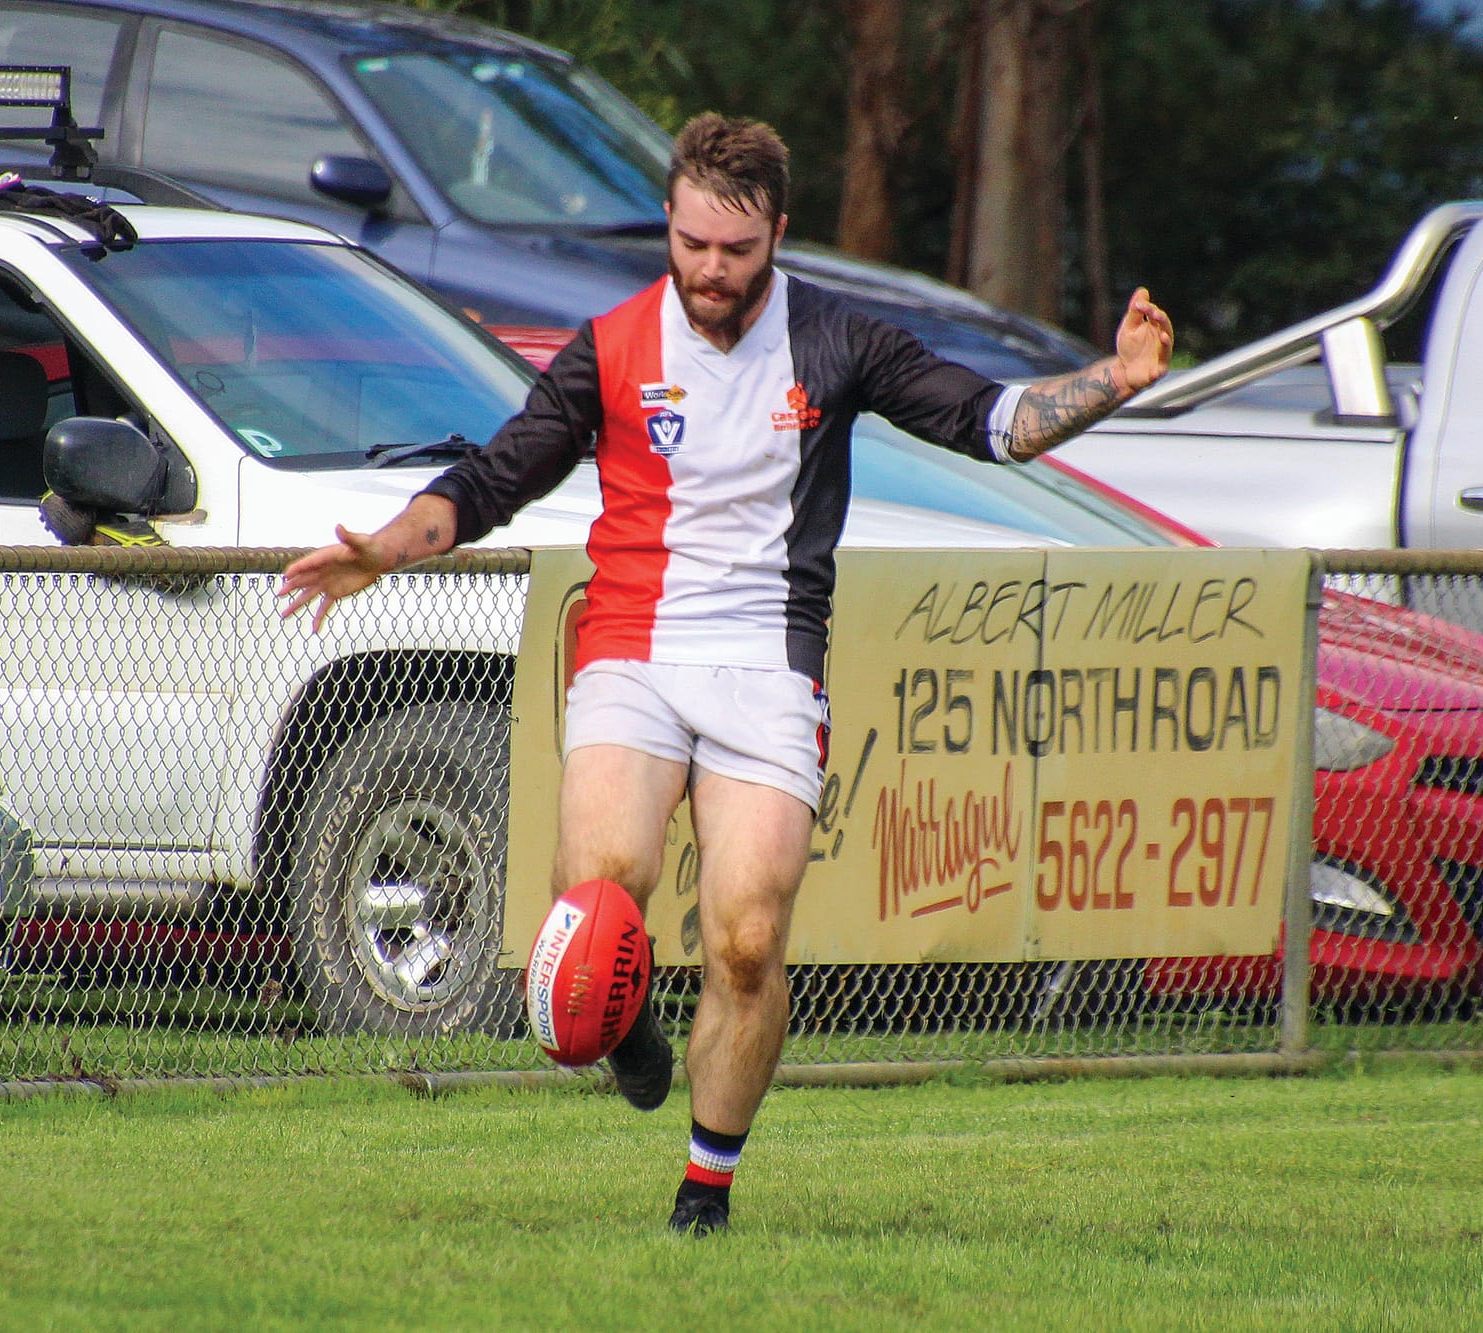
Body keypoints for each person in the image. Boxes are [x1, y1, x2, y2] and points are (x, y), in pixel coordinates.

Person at [278, 112, 1173, 1236]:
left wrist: (1116, 376)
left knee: (747, 939)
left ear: (777, 235)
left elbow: (989, 421)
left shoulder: (837, 340)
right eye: (692, 244)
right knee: (598, 893)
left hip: (769, 661)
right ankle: (628, 1024)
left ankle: (705, 1189)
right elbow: (494, 476)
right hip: (632, 649)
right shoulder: (608, 348)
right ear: (669, 221)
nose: (709, 271)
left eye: (736, 252)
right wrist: (381, 549)